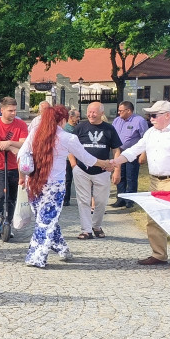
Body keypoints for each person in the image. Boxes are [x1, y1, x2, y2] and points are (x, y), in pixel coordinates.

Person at [109, 100, 170, 272]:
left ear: (168, 115)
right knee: (153, 218)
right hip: (155, 180)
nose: (150, 118)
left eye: (153, 115)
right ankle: (159, 254)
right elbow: (135, 149)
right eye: (149, 115)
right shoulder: (151, 133)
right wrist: (116, 161)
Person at [22, 105, 110, 268]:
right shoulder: (67, 138)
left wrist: (22, 177)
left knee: (45, 220)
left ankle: (62, 249)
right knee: (46, 221)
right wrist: (104, 163)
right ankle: (36, 257)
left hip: (33, 183)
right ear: (62, 120)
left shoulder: (35, 133)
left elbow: (22, 155)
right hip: (54, 186)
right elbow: (86, 158)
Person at [68, 101, 122, 239]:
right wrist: (74, 165)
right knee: (83, 200)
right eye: (89, 112)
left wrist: (117, 169)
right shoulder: (80, 127)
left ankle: (96, 225)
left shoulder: (109, 129)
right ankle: (86, 230)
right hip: (82, 170)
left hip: (103, 170)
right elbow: (70, 147)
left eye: (94, 112)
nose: (91, 115)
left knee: (101, 201)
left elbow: (116, 150)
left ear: (101, 113)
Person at [0, 97, 29, 226]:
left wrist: (9, 142)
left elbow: (24, 143)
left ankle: (8, 222)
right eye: (10, 111)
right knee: (0, 195)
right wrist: (9, 147)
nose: (14, 113)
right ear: (2, 110)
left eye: (15, 110)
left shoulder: (20, 125)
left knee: (12, 198)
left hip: (15, 167)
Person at [111, 101, 147, 208]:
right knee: (120, 175)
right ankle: (120, 198)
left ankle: (130, 200)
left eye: (121, 111)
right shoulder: (117, 121)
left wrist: (143, 154)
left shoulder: (139, 121)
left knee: (131, 176)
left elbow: (146, 138)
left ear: (128, 111)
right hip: (119, 153)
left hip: (133, 153)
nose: (119, 112)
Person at [63, 108, 80, 205]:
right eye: (77, 116)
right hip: (67, 158)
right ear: (71, 117)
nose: (79, 118)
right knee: (67, 179)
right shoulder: (66, 128)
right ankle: (66, 199)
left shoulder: (78, 127)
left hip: (78, 156)